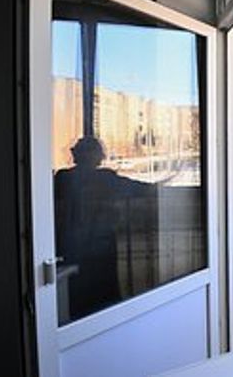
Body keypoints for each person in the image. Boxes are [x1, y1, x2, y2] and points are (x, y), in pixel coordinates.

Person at [54, 136, 158, 321]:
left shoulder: (63, 178)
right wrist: (159, 187)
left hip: (71, 247)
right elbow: (138, 188)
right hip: (100, 247)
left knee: (76, 297)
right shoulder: (104, 178)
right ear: (97, 156)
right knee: (103, 298)